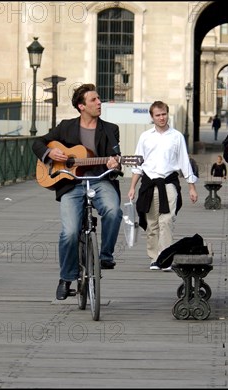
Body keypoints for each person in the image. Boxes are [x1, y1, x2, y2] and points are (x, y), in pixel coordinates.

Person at [32, 83, 122, 300]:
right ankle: (66, 277)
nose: (99, 102)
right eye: (94, 100)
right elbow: (37, 143)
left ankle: (106, 256)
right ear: (81, 106)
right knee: (70, 232)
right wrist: (50, 153)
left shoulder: (110, 129)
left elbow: (117, 159)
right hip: (71, 183)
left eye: (99, 99)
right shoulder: (66, 127)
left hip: (99, 181)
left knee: (113, 211)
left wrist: (115, 164)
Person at [127, 101, 198, 271]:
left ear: (168, 114)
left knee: (166, 220)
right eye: (158, 115)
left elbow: (184, 162)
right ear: (152, 117)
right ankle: (154, 258)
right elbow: (138, 164)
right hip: (149, 184)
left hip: (169, 183)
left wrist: (191, 187)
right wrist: (132, 187)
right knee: (152, 223)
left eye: (164, 114)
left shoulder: (177, 136)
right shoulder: (145, 137)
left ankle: (165, 258)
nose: (161, 118)